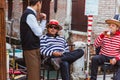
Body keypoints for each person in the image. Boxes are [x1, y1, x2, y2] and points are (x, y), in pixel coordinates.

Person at [20, 0, 47, 80]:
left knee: (35, 74)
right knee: (34, 76)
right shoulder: (29, 15)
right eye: (41, 4)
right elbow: (39, 32)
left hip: (32, 48)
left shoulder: (30, 14)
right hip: (31, 49)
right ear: (38, 3)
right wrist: (44, 20)